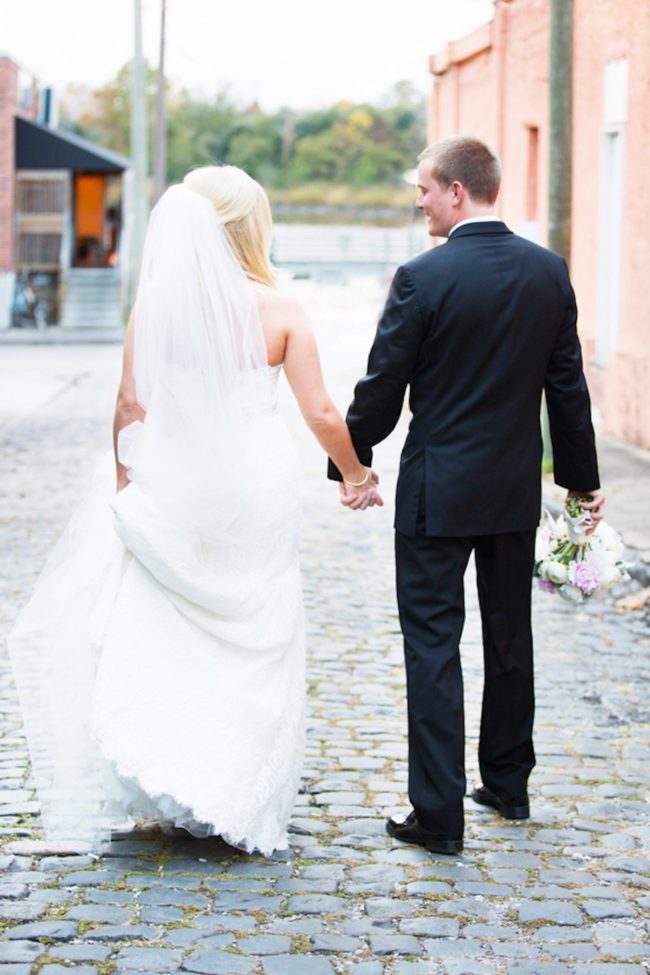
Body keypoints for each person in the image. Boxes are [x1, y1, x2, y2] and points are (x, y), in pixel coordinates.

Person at [9, 165, 381, 855]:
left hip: (177, 483)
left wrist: (128, 488)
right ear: (250, 228)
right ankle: (235, 784)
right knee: (257, 626)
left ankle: (176, 770)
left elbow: (128, 405)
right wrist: (355, 473)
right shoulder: (282, 310)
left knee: (174, 624)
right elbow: (322, 411)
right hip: (253, 490)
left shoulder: (154, 309)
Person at [329, 136, 605, 855]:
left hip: (436, 494)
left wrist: (349, 461)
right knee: (511, 636)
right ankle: (508, 785)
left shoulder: (422, 276)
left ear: (457, 191)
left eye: (424, 187)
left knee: (433, 645)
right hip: (513, 490)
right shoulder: (549, 273)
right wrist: (581, 481)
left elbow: (383, 386)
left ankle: (439, 815)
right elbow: (566, 390)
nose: (417, 199)